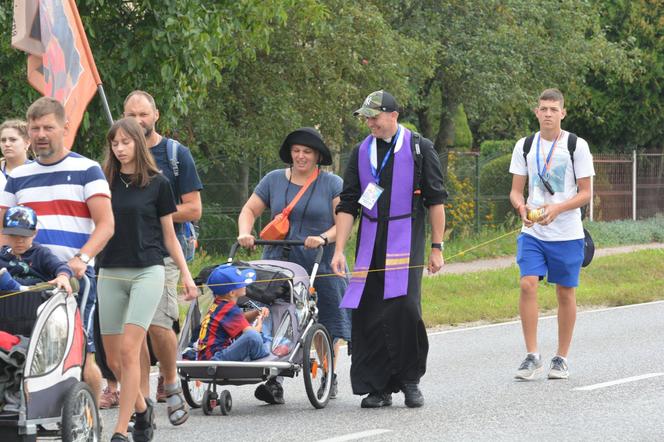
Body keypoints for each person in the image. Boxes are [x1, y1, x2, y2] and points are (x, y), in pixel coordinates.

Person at [331, 90, 447, 408]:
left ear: (393, 116)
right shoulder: (361, 152)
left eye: (375, 117)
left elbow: (436, 201)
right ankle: (377, 386)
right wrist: (339, 249)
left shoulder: (420, 148)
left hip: (406, 240)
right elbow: (349, 203)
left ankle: (409, 381)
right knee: (368, 312)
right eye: (367, 117)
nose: (370, 123)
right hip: (370, 242)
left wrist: (437, 247)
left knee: (404, 308)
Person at [0, 97, 115, 405]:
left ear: (65, 127)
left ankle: (89, 421)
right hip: (24, 277)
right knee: (25, 348)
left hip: (73, 275)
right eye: (35, 128)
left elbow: (106, 225)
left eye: (48, 127)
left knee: (80, 353)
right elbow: (2, 228)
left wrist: (82, 258)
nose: (40, 134)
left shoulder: (87, 169)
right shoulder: (18, 176)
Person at [97, 118, 198, 442]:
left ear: (138, 145)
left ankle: (119, 432)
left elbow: (170, 237)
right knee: (113, 360)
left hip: (148, 271)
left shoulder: (158, 183)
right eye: (115, 143)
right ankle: (143, 410)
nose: (120, 148)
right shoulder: (103, 182)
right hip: (110, 270)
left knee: (129, 351)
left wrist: (186, 275)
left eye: (126, 142)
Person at [237, 127, 351, 404]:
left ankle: (328, 374)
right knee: (277, 316)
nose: (301, 156)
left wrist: (324, 237)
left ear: (317, 156)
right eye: (297, 151)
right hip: (281, 261)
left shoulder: (331, 183)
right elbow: (250, 209)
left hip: (319, 261)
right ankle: (274, 380)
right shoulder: (273, 180)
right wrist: (245, 232)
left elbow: (344, 221)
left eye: (307, 152)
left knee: (327, 319)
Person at [123, 91, 203, 420]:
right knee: (134, 329)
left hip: (166, 251)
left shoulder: (174, 154)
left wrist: (154, 213)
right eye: (131, 114)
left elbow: (194, 209)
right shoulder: (119, 154)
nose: (138, 121)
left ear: (156, 115)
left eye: (144, 114)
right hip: (126, 254)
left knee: (157, 325)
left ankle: (170, 381)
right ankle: (142, 399)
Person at [509, 88, 594, 380]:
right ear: (536, 112)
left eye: (553, 109)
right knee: (527, 284)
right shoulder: (525, 145)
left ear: (562, 113)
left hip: (567, 233)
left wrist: (557, 209)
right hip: (533, 232)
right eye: (543, 108)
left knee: (565, 293)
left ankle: (561, 357)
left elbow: (586, 194)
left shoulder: (575, 146)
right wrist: (521, 208)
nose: (547, 113)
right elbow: (515, 191)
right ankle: (532, 356)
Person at [196, 264, 269, 361]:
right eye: (241, 282)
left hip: (209, 356)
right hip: (216, 359)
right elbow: (252, 333)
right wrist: (259, 322)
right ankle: (266, 355)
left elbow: (239, 319)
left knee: (253, 336)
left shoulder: (220, 305)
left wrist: (256, 313)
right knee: (254, 337)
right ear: (232, 293)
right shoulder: (229, 308)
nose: (245, 284)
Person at [0, 205, 73, 293]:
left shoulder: (41, 253)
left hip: (38, 300)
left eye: (24, 236)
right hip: (8, 303)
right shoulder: (2, 256)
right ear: (4, 234)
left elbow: (61, 266)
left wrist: (62, 276)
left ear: (35, 233)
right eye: (13, 235)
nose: (19, 241)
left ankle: (17, 287)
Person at [0, 120, 32, 192]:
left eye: (13, 140)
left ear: (27, 143)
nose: (7, 144)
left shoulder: (38, 171)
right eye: (3, 140)